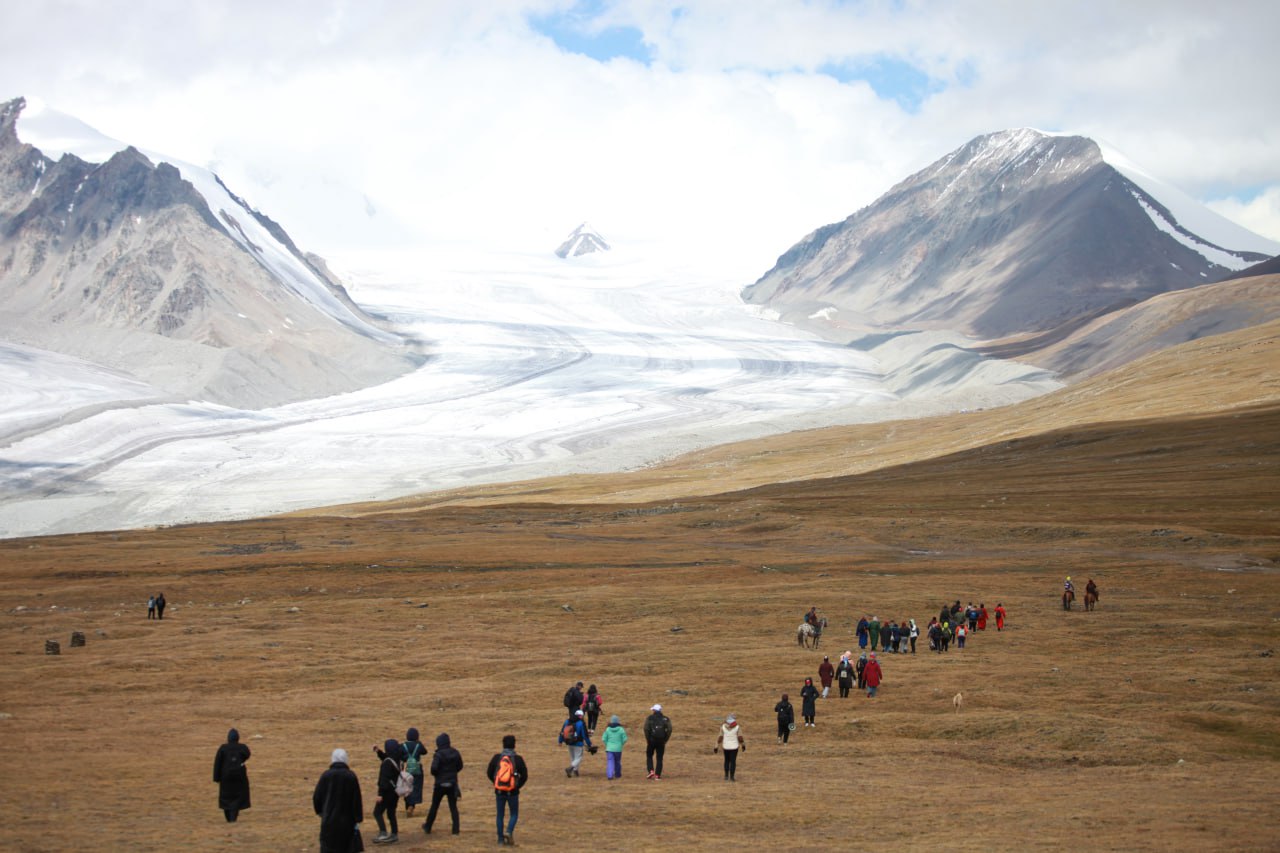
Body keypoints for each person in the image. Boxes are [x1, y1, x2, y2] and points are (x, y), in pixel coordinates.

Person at [314, 748, 364, 853]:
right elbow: (356, 799)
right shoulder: (351, 776)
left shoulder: (326, 775)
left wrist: (320, 812)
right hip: (347, 822)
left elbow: (317, 797)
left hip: (328, 821)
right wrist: (358, 818)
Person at [486, 734, 527, 846]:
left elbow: (489, 773)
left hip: (499, 791)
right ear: (514, 745)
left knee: (500, 815)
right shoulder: (518, 759)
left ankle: (500, 839)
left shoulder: (496, 758)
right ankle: (509, 831)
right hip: (513, 791)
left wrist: (496, 783)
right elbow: (525, 775)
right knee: (514, 814)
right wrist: (517, 786)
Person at [422, 733, 462, 836]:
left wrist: (438, 775)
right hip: (452, 784)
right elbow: (460, 766)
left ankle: (428, 826)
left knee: (434, 806)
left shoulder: (438, 754)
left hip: (440, 784)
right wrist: (453, 773)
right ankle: (456, 830)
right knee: (453, 807)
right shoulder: (455, 753)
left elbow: (433, 769)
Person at [212, 728, 250, 823]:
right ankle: (233, 818)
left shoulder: (223, 748)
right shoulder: (242, 747)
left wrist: (216, 777)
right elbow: (247, 754)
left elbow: (217, 763)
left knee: (226, 798)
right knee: (237, 797)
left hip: (225, 777)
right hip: (239, 776)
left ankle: (229, 819)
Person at [372, 738, 403, 844]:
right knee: (391, 813)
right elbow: (387, 758)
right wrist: (379, 752)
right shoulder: (397, 759)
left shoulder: (387, 763)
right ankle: (394, 834)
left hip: (386, 792)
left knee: (377, 812)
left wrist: (380, 794)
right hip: (395, 792)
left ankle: (383, 832)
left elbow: (383, 780)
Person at [559, 709, 593, 777]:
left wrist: (560, 741)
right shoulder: (581, 723)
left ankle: (575, 771)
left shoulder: (567, 721)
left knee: (573, 758)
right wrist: (589, 744)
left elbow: (562, 731)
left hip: (569, 743)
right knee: (578, 757)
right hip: (578, 744)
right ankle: (570, 768)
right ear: (581, 716)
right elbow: (585, 735)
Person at [401, 727, 427, 817]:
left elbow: (401, 756)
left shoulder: (403, 746)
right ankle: (412, 806)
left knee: (407, 788)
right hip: (417, 769)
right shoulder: (418, 745)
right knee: (416, 788)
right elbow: (425, 752)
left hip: (407, 769)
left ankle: (408, 806)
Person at [643, 703, 672, 779]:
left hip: (651, 740)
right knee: (659, 758)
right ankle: (657, 775)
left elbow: (646, 729)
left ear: (654, 710)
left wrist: (648, 739)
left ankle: (651, 771)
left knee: (649, 756)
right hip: (661, 741)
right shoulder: (666, 719)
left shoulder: (650, 718)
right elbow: (669, 729)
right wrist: (665, 739)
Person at [714, 714, 744, 782]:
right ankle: (732, 777)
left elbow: (720, 738)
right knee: (733, 762)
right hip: (734, 747)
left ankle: (726, 776)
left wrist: (716, 746)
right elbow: (740, 738)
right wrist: (743, 745)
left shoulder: (723, 727)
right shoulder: (737, 727)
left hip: (726, 746)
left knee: (726, 761)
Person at [602, 714, 628, 780]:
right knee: (617, 762)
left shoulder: (607, 729)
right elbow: (625, 739)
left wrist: (607, 744)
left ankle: (610, 775)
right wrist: (621, 744)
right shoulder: (621, 729)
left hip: (609, 749)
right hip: (618, 749)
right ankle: (617, 774)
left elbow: (604, 739)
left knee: (610, 762)